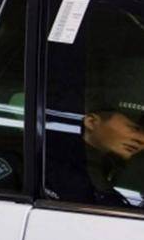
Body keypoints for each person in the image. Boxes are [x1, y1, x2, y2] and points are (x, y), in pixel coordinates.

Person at [46, 76, 144, 207]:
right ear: (91, 121)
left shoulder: (102, 180)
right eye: (134, 128)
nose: (142, 140)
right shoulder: (46, 167)